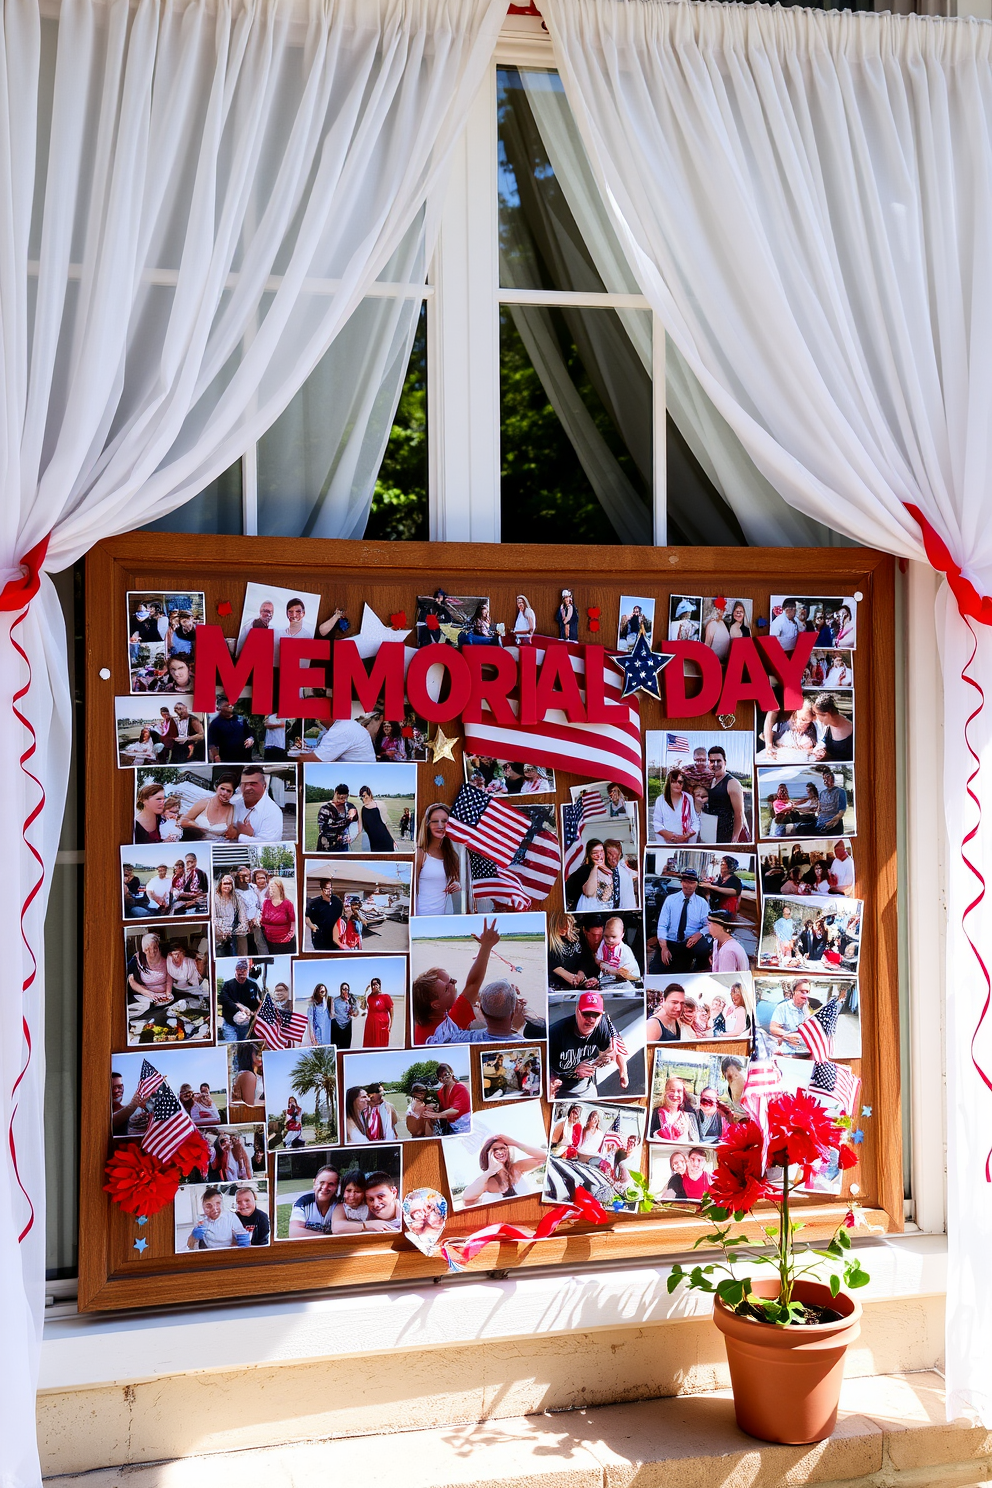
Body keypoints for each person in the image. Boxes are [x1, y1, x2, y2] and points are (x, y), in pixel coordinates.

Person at [412, 918, 500, 1043]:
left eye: (451, 980)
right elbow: (473, 984)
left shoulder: (419, 1027)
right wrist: (487, 946)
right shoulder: (450, 1024)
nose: (455, 984)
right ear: (436, 1004)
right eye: (447, 988)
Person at [548, 991, 618, 1098]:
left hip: (585, 1088)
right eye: (586, 1014)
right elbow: (544, 1069)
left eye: (596, 1015)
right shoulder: (555, 1033)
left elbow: (613, 1050)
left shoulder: (601, 1026)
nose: (591, 1020)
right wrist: (575, 1071)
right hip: (559, 1090)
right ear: (577, 1011)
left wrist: (608, 1060)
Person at [426, 977, 528, 1044]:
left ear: (481, 1011)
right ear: (513, 1013)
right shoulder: (527, 1045)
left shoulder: (459, 1038)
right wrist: (513, 1028)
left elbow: (432, 1042)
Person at [460, 1132, 546, 1206]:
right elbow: (467, 1198)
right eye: (494, 1150)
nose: (500, 1152)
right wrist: (490, 1171)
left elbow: (544, 1157)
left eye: (503, 1148)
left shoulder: (517, 1168)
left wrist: (515, 1143)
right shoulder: (486, 1182)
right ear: (487, 1154)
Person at [653, 870, 710, 972]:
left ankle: (698, 967)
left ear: (697, 884)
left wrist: (699, 934)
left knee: (679, 971)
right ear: (681, 882)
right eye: (685, 882)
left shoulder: (702, 903)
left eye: (692, 883)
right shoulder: (670, 900)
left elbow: (708, 925)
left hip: (688, 944)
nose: (688, 886)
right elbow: (662, 925)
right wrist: (664, 948)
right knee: (655, 970)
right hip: (669, 941)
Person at [415, 802, 461, 915]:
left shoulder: (452, 855)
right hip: (421, 915)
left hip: (444, 917)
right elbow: (412, 890)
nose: (440, 825)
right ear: (427, 824)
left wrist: (456, 884)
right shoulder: (420, 853)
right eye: (435, 821)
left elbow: (455, 880)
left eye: (445, 821)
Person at [228, 765, 285, 841]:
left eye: (253, 784)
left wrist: (239, 835)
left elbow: (268, 845)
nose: (247, 788)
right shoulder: (235, 803)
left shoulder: (273, 812)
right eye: (244, 784)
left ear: (264, 785)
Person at [547, 909, 599, 990]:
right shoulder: (549, 943)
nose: (564, 928)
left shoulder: (577, 935)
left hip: (576, 984)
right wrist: (567, 975)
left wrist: (581, 974)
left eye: (567, 925)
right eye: (561, 925)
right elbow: (550, 962)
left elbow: (586, 958)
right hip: (556, 986)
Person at [706, 746, 747, 843]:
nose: (715, 764)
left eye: (718, 761)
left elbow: (739, 814)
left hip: (726, 836)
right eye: (712, 761)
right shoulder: (711, 780)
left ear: (725, 762)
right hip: (711, 835)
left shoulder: (732, 783)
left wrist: (734, 840)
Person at [288, 1163, 341, 1237]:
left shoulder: (341, 1204)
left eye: (331, 1184)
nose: (325, 1187)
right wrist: (328, 1236)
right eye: (321, 1182)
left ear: (337, 1187)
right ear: (314, 1183)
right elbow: (294, 1233)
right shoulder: (303, 1203)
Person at [565, 839, 617, 911]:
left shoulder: (613, 871)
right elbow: (589, 893)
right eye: (595, 852)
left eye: (601, 851)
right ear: (589, 855)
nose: (599, 855)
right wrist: (595, 867)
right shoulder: (585, 870)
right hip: (591, 913)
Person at [653, 769, 699, 845]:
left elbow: (695, 821)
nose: (677, 784)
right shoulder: (660, 800)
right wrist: (667, 834)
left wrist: (685, 836)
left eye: (680, 782)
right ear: (669, 783)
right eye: (674, 781)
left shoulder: (688, 798)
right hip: (666, 843)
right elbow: (657, 822)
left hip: (685, 842)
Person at [219, 959, 261, 1041]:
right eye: (239, 970)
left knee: (243, 1047)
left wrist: (253, 1011)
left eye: (244, 970)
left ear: (247, 971)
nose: (241, 973)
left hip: (245, 1025)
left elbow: (257, 1003)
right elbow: (222, 999)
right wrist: (238, 1006)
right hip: (230, 1024)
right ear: (235, 971)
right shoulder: (227, 984)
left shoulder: (253, 985)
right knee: (233, 1048)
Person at [300, 717, 376, 762]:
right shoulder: (346, 724)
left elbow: (315, 760)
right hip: (358, 771)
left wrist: (290, 756)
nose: (317, 720)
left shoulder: (340, 730)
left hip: (356, 774)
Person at [770, 978, 812, 1053]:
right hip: (787, 1050)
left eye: (807, 992)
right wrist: (788, 1035)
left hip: (806, 1049)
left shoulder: (810, 1008)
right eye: (802, 992)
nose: (805, 995)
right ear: (794, 992)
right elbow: (773, 1028)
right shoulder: (783, 1007)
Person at [651, 1077, 699, 1143]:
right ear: (665, 1093)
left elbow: (696, 1142)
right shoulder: (655, 1114)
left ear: (683, 1095)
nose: (675, 1094)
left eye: (679, 1091)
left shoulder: (689, 1116)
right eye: (671, 1090)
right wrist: (662, 1133)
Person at [595, 917, 641, 982]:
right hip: (609, 979)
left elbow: (630, 967)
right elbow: (597, 959)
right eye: (606, 936)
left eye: (614, 937)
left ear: (622, 935)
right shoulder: (603, 945)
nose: (610, 940)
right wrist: (601, 964)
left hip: (628, 980)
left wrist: (615, 971)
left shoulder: (624, 949)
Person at [811, 694, 854, 763]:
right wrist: (821, 749)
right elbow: (824, 741)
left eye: (815, 713)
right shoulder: (828, 727)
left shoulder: (852, 728)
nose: (815, 717)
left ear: (826, 714)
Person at [304, 879, 344, 951]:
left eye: (330, 888)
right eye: (327, 888)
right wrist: (313, 928)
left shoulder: (337, 901)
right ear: (322, 889)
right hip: (321, 939)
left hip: (336, 937)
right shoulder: (314, 903)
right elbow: (307, 918)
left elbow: (340, 917)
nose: (329, 891)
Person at [433, 1063, 472, 1134]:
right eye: (440, 1077)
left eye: (446, 1074)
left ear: (451, 1073)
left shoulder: (460, 1088)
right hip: (451, 1125)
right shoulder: (441, 1091)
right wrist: (435, 1107)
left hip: (464, 1125)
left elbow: (456, 1110)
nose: (444, 1078)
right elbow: (444, 1107)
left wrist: (437, 1115)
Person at [259, 876, 295, 953]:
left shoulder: (287, 904)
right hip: (270, 941)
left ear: (280, 888)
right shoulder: (266, 903)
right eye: (269, 887)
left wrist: (290, 935)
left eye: (273, 887)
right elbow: (262, 920)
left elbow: (293, 921)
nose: (271, 889)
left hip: (285, 942)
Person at [358, 785, 395, 851]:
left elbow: (385, 824)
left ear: (370, 795)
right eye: (362, 797)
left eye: (364, 796)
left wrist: (393, 840)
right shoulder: (362, 810)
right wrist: (350, 838)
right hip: (374, 844)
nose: (363, 799)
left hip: (386, 840)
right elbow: (360, 828)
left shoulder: (379, 805)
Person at [812, 768, 848, 835]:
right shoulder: (822, 793)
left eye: (828, 778)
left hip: (834, 826)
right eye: (824, 779)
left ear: (833, 779)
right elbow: (819, 809)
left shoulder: (840, 792)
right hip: (820, 824)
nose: (825, 781)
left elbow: (841, 812)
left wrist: (830, 823)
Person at [604, 840, 638, 908]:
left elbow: (629, 899)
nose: (613, 858)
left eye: (616, 855)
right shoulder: (599, 872)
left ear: (620, 854)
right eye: (610, 854)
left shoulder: (625, 874)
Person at [230, 1043, 264, 1109]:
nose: (260, 1057)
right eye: (256, 1054)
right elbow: (249, 1106)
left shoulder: (253, 1075)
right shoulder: (248, 1075)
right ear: (248, 1056)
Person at [362, 977, 393, 1047]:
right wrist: (365, 992)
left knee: (381, 1044)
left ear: (379, 985)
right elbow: (363, 1007)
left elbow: (391, 1011)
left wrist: (390, 1025)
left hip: (382, 1026)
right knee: (369, 1045)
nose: (373, 987)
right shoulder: (369, 997)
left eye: (375, 984)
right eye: (372, 985)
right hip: (370, 1025)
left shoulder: (386, 997)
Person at [331, 982, 358, 1048]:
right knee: (336, 1047)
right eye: (343, 989)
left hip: (347, 1025)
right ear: (341, 990)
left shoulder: (351, 1000)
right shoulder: (336, 1000)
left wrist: (351, 1010)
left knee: (346, 1046)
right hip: (337, 1025)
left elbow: (356, 1013)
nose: (345, 991)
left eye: (346, 989)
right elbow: (332, 1014)